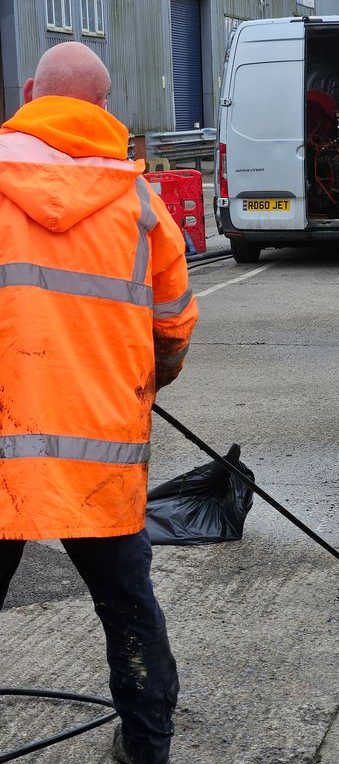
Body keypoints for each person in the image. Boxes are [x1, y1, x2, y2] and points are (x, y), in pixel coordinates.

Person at [0, 42, 198, 763]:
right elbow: (173, 323)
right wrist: (153, 377)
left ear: (31, 92)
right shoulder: (141, 204)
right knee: (126, 607)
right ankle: (146, 748)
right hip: (99, 450)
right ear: (103, 109)